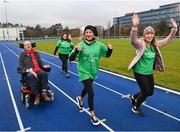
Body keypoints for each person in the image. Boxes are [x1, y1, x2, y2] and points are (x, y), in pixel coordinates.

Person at [128, 14, 177, 116]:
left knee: (150, 92)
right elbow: (133, 41)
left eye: (151, 33)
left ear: (153, 35)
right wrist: (134, 27)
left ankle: (133, 97)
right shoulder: (141, 44)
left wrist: (174, 30)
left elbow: (167, 41)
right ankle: (136, 106)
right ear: (144, 35)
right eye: (147, 33)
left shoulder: (154, 44)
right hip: (139, 72)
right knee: (145, 92)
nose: (149, 35)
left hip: (149, 72)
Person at [69, 25, 113, 125]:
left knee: (87, 88)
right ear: (84, 34)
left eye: (90, 32)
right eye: (86, 32)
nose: (88, 34)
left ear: (94, 33)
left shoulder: (99, 45)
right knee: (91, 92)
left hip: (94, 71)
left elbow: (107, 55)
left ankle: (80, 98)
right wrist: (76, 51)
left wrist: (110, 49)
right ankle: (92, 115)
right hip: (83, 71)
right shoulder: (80, 45)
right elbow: (70, 58)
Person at [19, 41, 51, 105]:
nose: (28, 46)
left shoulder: (36, 53)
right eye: (27, 45)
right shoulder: (22, 55)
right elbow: (21, 66)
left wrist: (43, 66)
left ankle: (44, 93)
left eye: (29, 44)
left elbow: (40, 61)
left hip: (37, 70)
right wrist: (29, 70)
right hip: (29, 71)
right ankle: (37, 96)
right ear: (24, 46)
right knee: (31, 76)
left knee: (44, 73)